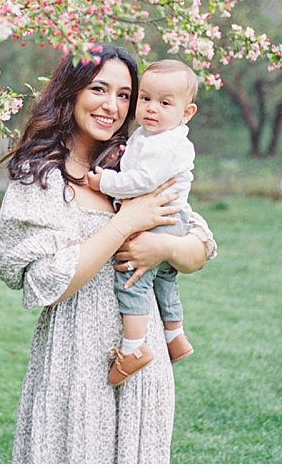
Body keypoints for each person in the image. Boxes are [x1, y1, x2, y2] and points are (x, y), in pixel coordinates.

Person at [0, 45, 217, 464]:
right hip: (74, 357)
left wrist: (163, 246)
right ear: (72, 92)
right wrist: (126, 222)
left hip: (142, 356)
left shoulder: (135, 164)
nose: (111, 106)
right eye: (99, 89)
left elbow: (198, 249)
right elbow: (48, 284)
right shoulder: (40, 178)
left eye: (124, 95)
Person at [86, 59, 200, 386]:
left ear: (186, 113)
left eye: (165, 103)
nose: (151, 109)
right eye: (145, 99)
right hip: (169, 219)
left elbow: (143, 180)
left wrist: (103, 182)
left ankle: (133, 347)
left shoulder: (167, 143)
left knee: (132, 279)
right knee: (165, 279)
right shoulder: (150, 135)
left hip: (162, 221)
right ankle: (175, 335)